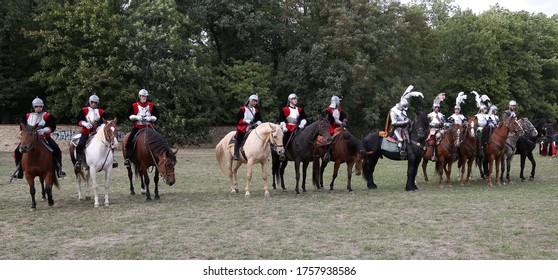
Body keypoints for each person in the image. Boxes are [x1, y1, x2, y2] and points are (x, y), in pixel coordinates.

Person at [12, 97, 66, 179]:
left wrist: (44, 130)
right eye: (36, 107)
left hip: (44, 137)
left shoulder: (47, 115)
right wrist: (22, 132)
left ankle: (58, 169)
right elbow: (22, 126)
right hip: (30, 139)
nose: (38, 108)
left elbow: (52, 126)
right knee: (17, 151)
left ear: (43, 106)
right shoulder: (27, 116)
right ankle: (19, 170)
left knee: (56, 150)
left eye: (40, 106)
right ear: (33, 107)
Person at [74, 94, 115, 170]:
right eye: (92, 102)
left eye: (95, 103)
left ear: (97, 103)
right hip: (86, 131)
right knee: (80, 144)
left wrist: (101, 126)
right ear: (90, 102)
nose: (94, 104)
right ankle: (78, 161)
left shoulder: (101, 112)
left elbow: (106, 122)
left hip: (97, 132)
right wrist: (84, 123)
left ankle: (112, 159)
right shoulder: (84, 110)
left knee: (109, 143)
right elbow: (78, 120)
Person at [124, 89, 160, 167]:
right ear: (139, 96)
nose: (144, 97)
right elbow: (128, 115)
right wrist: (137, 117)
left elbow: (157, 115)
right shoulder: (134, 105)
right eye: (142, 96)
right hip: (138, 127)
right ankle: (128, 158)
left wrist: (150, 118)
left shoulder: (151, 105)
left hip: (149, 127)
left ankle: (161, 155)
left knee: (160, 138)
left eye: (145, 96)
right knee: (129, 140)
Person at [233, 94, 263, 161]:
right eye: (254, 101)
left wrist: (258, 122)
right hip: (243, 127)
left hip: (253, 126)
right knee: (239, 138)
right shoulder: (243, 109)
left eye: (256, 101)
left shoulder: (256, 110)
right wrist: (246, 121)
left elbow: (260, 119)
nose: (255, 102)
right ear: (250, 100)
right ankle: (236, 153)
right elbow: (238, 120)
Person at [323, 95, 347, 162]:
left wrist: (344, 120)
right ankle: (327, 153)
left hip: (339, 127)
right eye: (338, 101)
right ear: (335, 102)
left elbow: (344, 116)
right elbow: (331, 120)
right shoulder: (328, 110)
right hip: (331, 127)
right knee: (330, 138)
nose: (339, 103)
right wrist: (341, 123)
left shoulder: (339, 110)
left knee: (347, 134)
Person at [427, 93, 445, 161]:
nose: (436, 109)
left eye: (438, 108)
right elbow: (427, 123)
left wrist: (439, 120)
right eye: (435, 108)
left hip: (440, 129)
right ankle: (433, 154)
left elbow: (444, 123)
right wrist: (432, 125)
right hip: (432, 129)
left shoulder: (441, 115)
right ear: (433, 108)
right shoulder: (430, 115)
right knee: (435, 138)